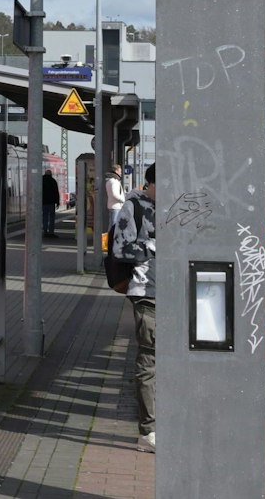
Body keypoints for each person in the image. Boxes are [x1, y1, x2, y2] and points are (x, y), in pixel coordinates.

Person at [109, 164, 158, 451]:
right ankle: (148, 431)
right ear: (150, 184)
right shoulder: (134, 207)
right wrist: (154, 247)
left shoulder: (180, 205)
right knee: (149, 358)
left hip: (178, 293)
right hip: (146, 293)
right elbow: (120, 249)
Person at [41, 170, 60, 237]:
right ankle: (51, 232)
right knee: (51, 217)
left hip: (43, 202)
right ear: (51, 174)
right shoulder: (53, 181)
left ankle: (45, 231)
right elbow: (56, 192)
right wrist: (57, 202)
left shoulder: (40, 181)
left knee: (44, 216)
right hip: (51, 203)